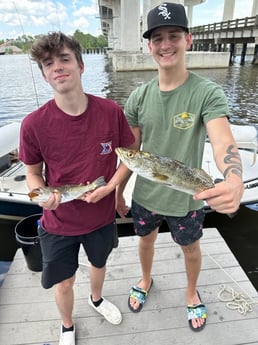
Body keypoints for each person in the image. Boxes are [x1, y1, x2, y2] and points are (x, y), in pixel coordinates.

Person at [116, 2, 244, 332]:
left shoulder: (207, 92)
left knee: (191, 248)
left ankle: (190, 294)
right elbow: (132, 152)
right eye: (157, 38)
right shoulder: (138, 98)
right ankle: (145, 280)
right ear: (149, 46)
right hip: (146, 195)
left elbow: (222, 141)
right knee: (145, 240)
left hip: (187, 198)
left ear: (188, 40)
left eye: (174, 35)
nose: (165, 44)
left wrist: (233, 177)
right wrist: (117, 191)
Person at [19, 32, 135, 345]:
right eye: (48, 63)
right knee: (64, 281)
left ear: (81, 66)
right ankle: (67, 326)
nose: (57, 66)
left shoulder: (111, 111)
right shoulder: (32, 124)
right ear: (44, 74)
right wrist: (43, 196)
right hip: (58, 224)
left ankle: (96, 300)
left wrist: (111, 187)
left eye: (64, 58)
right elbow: (32, 173)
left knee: (100, 264)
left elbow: (130, 158)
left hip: (100, 218)